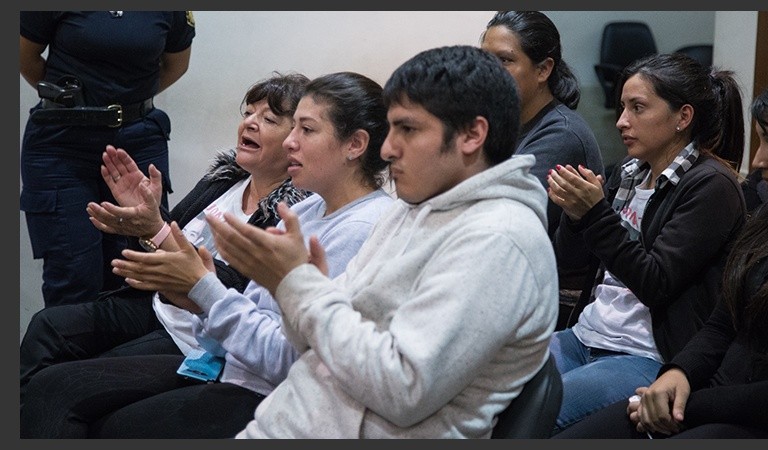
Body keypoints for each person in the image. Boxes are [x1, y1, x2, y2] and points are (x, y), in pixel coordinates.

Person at [202, 45, 559, 439]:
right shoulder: (409, 209)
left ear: (472, 135)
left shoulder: (499, 240)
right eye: (390, 129)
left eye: (408, 129)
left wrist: (296, 285)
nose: (387, 149)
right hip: (291, 419)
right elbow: (316, 340)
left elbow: (402, 388)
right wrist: (304, 286)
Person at [20, 71, 395, 438]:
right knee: (53, 354)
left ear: (355, 145)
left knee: (78, 401)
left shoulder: (356, 226)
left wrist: (198, 289)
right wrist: (179, 272)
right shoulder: (298, 208)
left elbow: (286, 353)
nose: (291, 142)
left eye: (305, 130)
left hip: (259, 385)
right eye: (251, 114)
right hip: (220, 354)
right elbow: (231, 308)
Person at [551, 78, 768, 439]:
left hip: (640, 353)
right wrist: (575, 214)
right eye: (622, 107)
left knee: (537, 413)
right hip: (585, 335)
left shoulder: (711, 185)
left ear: (682, 117)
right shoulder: (626, 173)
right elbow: (568, 264)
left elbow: (654, 281)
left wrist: (596, 215)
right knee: (487, 389)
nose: (621, 121)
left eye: (637, 108)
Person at [20, 11, 196, 307]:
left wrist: (124, 104)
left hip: (137, 140)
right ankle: (70, 353)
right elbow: (26, 58)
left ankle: (123, 354)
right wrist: (78, 105)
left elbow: (176, 64)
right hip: (62, 143)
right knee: (73, 275)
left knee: (135, 270)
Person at [480, 11, 605, 325]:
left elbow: (496, 220)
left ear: (543, 69)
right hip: (508, 285)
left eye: (505, 61)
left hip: (548, 305)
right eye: (485, 60)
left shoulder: (561, 134)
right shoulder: (504, 124)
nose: (490, 73)